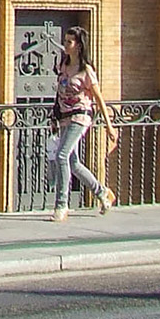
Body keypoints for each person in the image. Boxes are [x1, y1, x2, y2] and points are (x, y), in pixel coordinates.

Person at [49, 27, 117, 220]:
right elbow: (59, 93)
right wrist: (54, 115)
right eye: (65, 40)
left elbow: (98, 98)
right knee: (73, 161)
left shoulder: (86, 70)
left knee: (62, 156)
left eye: (69, 42)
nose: (65, 44)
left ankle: (61, 205)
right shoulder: (63, 65)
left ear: (78, 46)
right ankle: (102, 193)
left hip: (80, 116)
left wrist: (109, 126)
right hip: (64, 116)